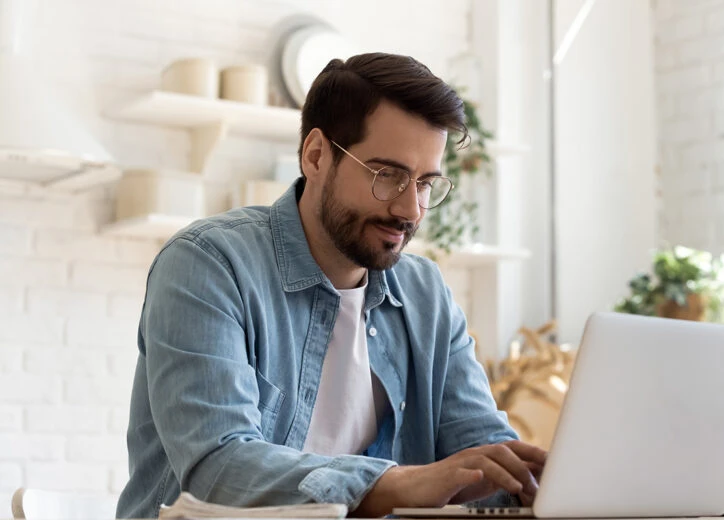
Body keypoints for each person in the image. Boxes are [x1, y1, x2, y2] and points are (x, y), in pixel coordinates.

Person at [116, 52, 546, 519]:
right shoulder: (208, 266)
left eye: (425, 183)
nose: (410, 210)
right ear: (316, 155)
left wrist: (538, 482)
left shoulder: (426, 296)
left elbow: (484, 452)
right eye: (388, 176)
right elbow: (218, 469)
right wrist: (398, 483)